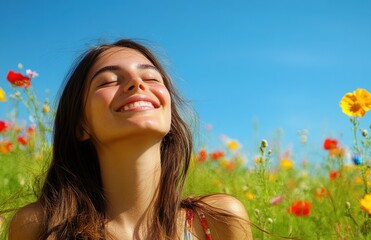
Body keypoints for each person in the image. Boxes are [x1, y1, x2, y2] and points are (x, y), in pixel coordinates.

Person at [8, 39, 252, 239]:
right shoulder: (39, 227)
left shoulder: (218, 220)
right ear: (81, 125)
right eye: (109, 81)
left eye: (151, 78)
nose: (136, 83)